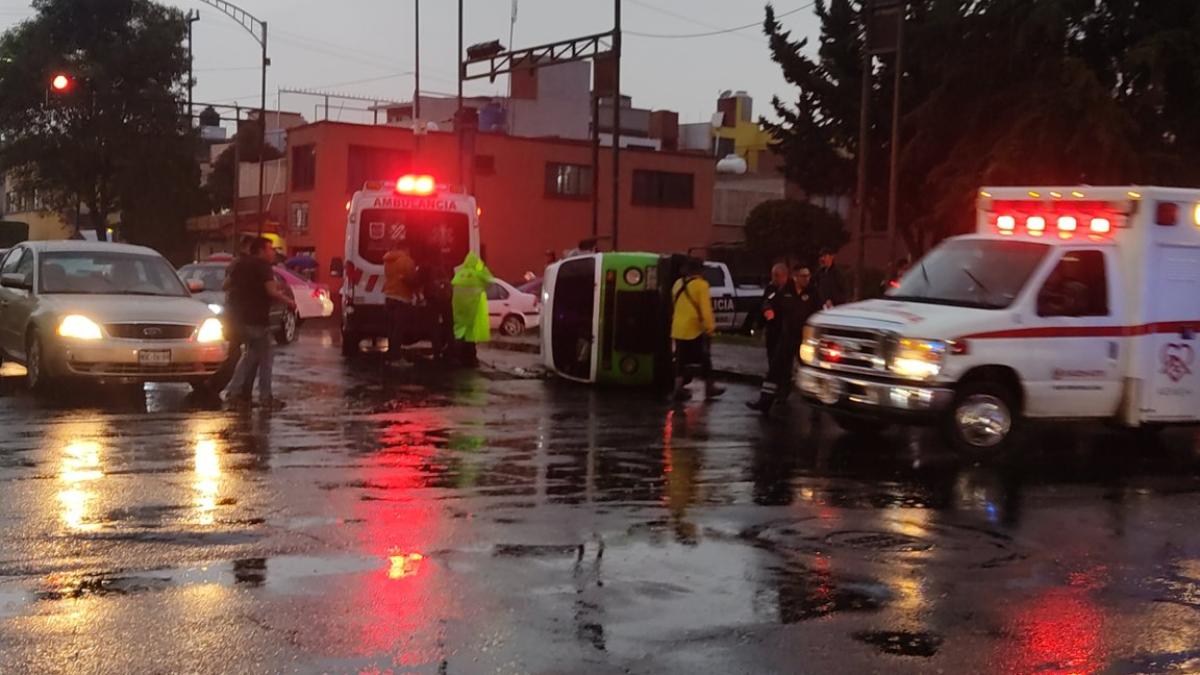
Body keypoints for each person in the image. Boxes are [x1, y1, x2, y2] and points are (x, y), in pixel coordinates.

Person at [223, 237, 296, 409]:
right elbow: (271, 291)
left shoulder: (239, 265)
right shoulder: (263, 267)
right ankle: (265, 396)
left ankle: (235, 393)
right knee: (266, 358)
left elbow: (225, 285)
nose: (273, 252)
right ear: (261, 250)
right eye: (270, 249)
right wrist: (288, 301)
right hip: (257, 319)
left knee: (250, 355)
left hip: (240, 318)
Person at [747, 265, 820, 413]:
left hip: (805, 340)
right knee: (775, 369)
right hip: (787, 337)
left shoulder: (813, 292)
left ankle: (817, 407)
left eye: (808, 276)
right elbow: (769, 301)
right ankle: (765, 402)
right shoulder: (785, 291)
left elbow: (820, 312)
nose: (806, 279)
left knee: (810, 370)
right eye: (803, 276)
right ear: (795, 276)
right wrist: (768, 311)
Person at [670, 258, 725, 402]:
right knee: (705, 358)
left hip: (678, 327)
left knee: (680, 360)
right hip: (694, 329)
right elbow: (706, 310)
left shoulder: (677, 284)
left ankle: (677, 389)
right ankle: (709, 387)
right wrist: (710, 328)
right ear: (701, 271)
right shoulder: (702, 285)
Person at [451, 252, 494, 367]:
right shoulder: (477, 274)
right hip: (472, 308)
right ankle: (469, 358)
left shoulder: (460, 273)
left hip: (459, 308)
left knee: (459, 332)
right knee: (469, 333)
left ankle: (457, 357)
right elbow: (490, 281)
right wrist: (481, 267)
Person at [382, 242, 418, 362]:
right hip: (401, 298)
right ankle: (396, 358)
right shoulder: (407, 261)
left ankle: (390, 355)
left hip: (389, 296)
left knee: (391, 329)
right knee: (398, 329)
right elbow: (412, 278)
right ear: (406, 249)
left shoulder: (388, 260)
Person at [758, 263, 793, 362]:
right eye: (773, 275)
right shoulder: (771, 287)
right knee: (772, 353)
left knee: (784, 356)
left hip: (786, 329)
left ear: (783, 275)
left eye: (776, 275)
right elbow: (765, 301)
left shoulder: (791, 289)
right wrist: (766, 310)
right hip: (772, 327)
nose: (773, 278)